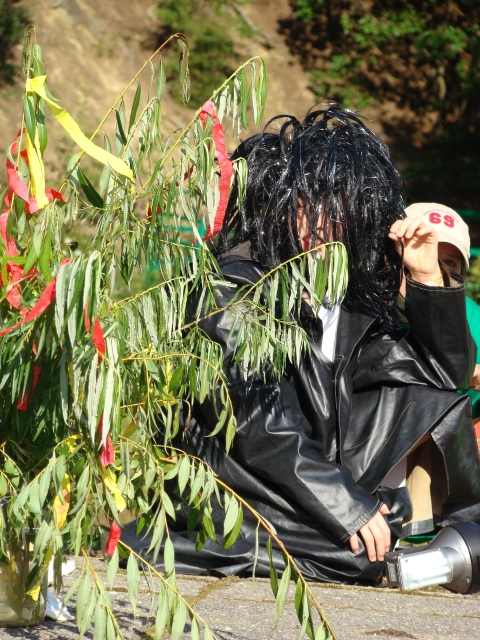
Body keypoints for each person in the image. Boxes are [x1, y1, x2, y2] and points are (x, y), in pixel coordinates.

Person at [125, 108, 480, 584]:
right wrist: (347, 505)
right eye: (309, 202)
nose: (324, 221)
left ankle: (430, 530)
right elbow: (261, 425)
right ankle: (167, 547)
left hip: (309, 462)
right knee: (358, 558)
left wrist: (426, 278)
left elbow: (442, 373)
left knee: (439, 403)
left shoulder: (346, 292)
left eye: (341, 207)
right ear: (280, 199)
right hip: (232, 475)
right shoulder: (233, 287)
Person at [404, 202, 480, 442]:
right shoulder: (367, 306)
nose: (435, 267)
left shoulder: (471, 315)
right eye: (424, 252)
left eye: (450, 262)